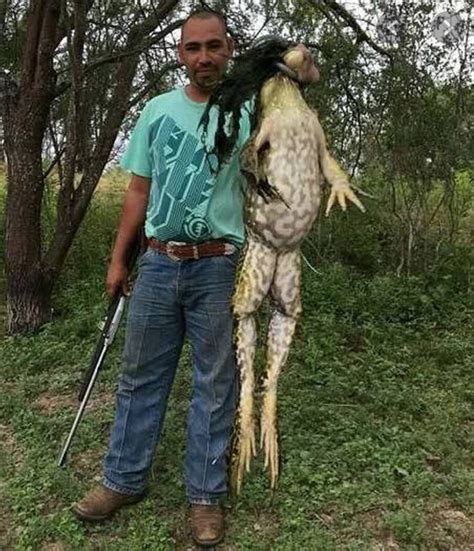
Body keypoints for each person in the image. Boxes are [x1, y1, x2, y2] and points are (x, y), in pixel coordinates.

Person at [73, 8, 250, 547]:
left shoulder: (247, 112)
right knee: (139, 378)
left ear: (229, 49)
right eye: (193, 48)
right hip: (156, 261)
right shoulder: (156, 110)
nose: (204, 57)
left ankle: (205, 496)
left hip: (217, 265)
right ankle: (122, 481)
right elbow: (137, 191)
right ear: (180, 53)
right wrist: (117, 258)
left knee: (216, 385)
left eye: (214, 46)